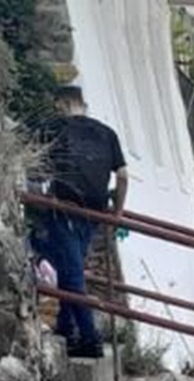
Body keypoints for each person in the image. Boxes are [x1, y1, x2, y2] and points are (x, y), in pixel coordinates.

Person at [33, 84, 128, 359]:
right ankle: (66, 327)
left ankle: (89, 337)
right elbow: (122, 176)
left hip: (64, 209)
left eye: (57, 106)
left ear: (63, 103)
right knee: (70, 267)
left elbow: (36, 167)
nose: (56, 111)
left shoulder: (55, 128)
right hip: (94, 213)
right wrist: (118, 212)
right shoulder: (107, 133)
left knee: (71, 274)